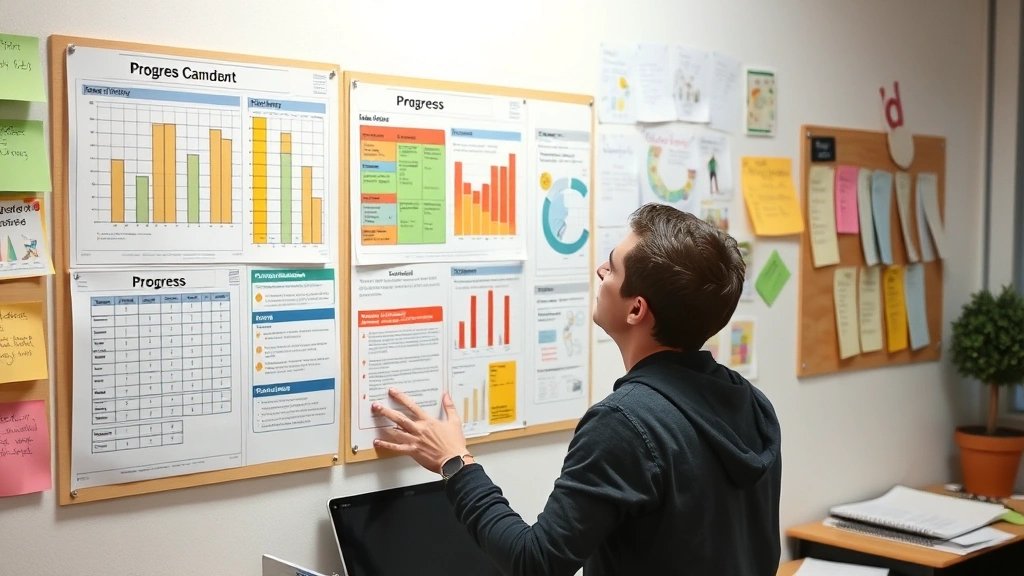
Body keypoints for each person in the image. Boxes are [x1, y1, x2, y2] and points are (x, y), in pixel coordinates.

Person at [371, 203, 783, 576]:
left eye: (612, 266)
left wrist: (455, 463)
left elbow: (535, 561)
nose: (601, 272)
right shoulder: (753, 405)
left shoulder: (626, 423)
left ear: (636, 309)